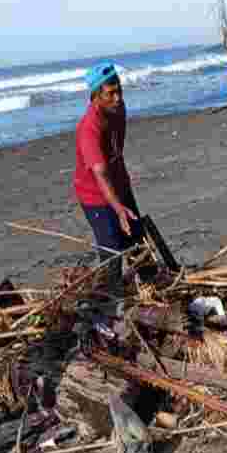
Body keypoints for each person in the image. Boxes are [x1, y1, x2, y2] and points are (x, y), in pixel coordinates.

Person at [73, 62, 143, 320]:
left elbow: (115, 154)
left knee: (138, 240)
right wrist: (117, 208)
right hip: (95, 196)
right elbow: (99, 173)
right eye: (110, 94)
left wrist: (124, 200)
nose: (118, 98)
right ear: (95, 96)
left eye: (119, 90)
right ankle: (108, 311)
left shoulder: (119, 108)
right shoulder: (88, 128)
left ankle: (151, 293)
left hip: (120, 185)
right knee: (112, 251)